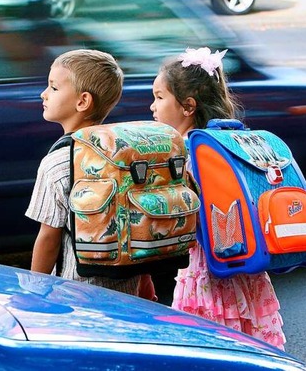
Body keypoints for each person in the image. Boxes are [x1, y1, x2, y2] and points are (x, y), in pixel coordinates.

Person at [150, 47, 286, 350]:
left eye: (159, 97)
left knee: (210, 345)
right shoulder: (231, 139)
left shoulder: (184, 152)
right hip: (245, 265)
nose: (152, 106)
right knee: (249, 342)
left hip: (207, 269)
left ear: (187, 106)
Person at [26, 48, 155, 298]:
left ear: (82, 101)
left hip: (73, 296)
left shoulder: (58, 163)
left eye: (53, 87)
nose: (44, 94)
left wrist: (33, 293)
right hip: (125, 291)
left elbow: (48, 239)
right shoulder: (126, 156)